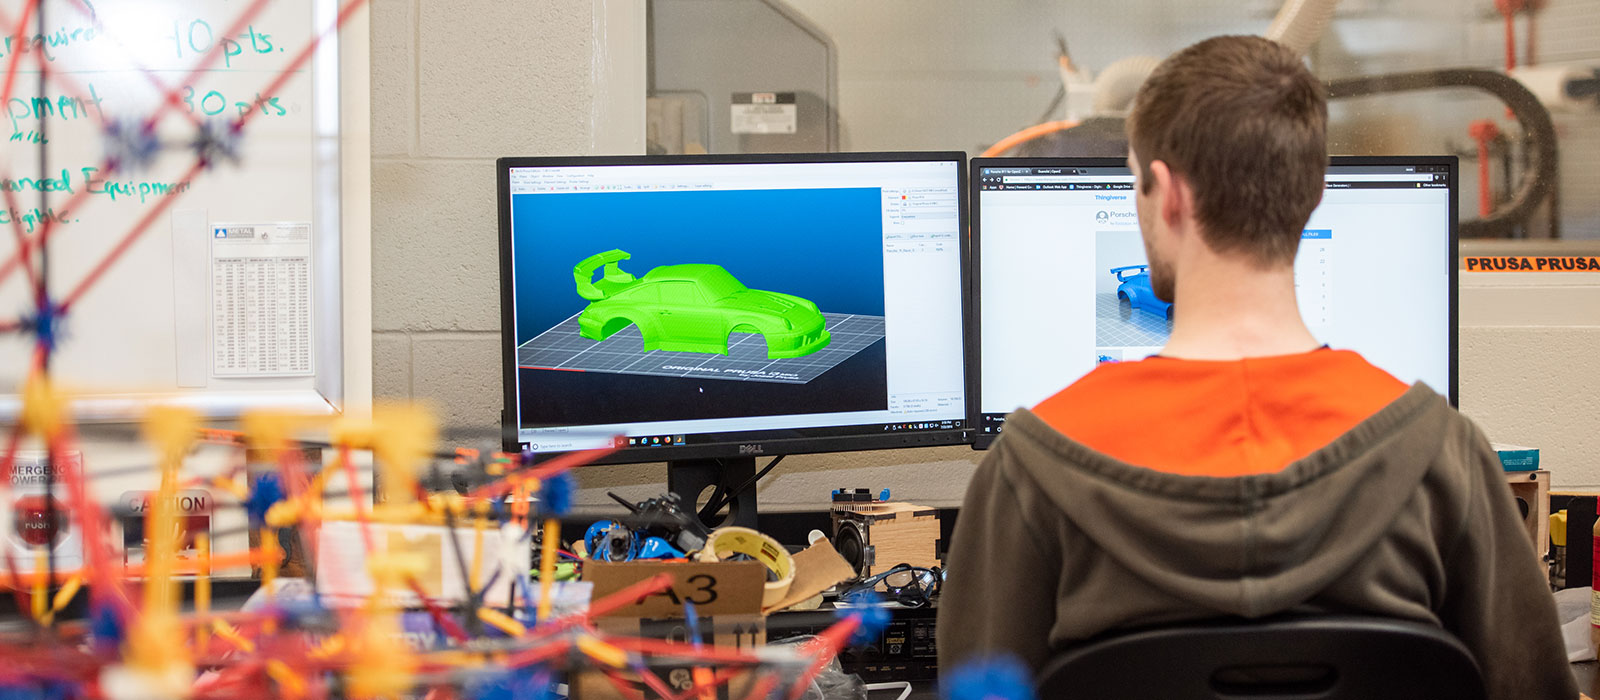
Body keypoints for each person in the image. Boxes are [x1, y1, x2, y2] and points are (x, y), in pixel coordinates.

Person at [937, 35, 1576, 700]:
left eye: (1135, 183)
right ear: (1314, 190)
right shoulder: (1443, 453)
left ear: (1169, 194)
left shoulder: (1033, 465)